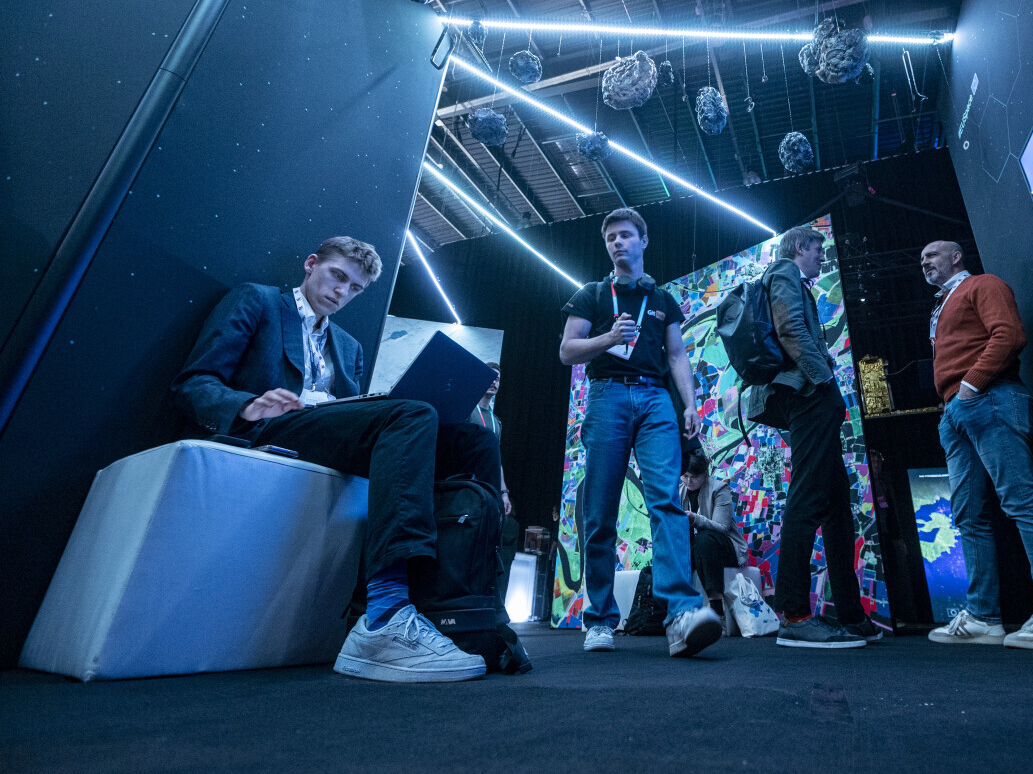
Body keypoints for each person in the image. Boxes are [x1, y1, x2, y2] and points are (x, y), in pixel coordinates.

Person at [173, 236, 499, 682]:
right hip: (270, 426)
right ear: (312, 264)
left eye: (355, 288)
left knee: (474, 442)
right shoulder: (258, 301)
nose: (342, 291)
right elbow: (194, 383)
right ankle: (383, 616)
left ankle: (463, 608)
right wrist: (247, 405)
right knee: (410, 414)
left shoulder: (349, 347)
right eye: (337, 276)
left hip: (327, 433)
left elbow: (352, 415)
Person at [559, 208, 721, 658]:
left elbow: (677, 355)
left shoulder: (663, 298)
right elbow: (568, 350)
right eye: (611, 237)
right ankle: (599, 619)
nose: (617, 242)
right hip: (606, 395)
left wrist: (689, 404)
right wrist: (608, 339)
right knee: (599, 511)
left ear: (643, 241)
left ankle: (681, 616)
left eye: (626, 235)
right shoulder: (592, 294)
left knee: (667, 502)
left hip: (655, 399)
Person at [920, 240, 1033, 650]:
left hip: (989, 397)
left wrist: (972, 385)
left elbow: (1009, 334)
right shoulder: (940, 305)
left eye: (932, 255)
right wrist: (955, 403)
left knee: (1021, 501)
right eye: (922, 259)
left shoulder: (983, 284)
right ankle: (983, 618)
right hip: (957, 411)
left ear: (956, 257)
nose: (924, 262)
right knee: (968, 515)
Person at [746, 226, 881, 649]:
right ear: (800, 247)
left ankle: (851, 615)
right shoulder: (784, 271)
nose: (822, 257)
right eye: (818, 250)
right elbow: (790, 329)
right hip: (807, 395)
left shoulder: (789, 277)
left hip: (807, 395)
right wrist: (825, 381)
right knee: (807, 497)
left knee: (837, 504)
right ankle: (795, 615)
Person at [679, 452, 748, 624]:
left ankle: (716, 608)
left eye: (694, 477)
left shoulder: (719, 489)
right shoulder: (679, 492)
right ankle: (668, 615)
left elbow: (722, 528)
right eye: (685, 476)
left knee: (704, 539)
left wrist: (694, 519)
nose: (689, 481)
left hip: (722, 548)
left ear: (705, 474)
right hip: (696, 549)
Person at [470, 361, 511, 516]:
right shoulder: (468, 412)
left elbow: (497, 459)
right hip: (468, 483)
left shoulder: (496, 422)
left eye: (497, 379)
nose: (494, 382)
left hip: (488, 487)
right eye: (490, 377)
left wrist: (504, 493)